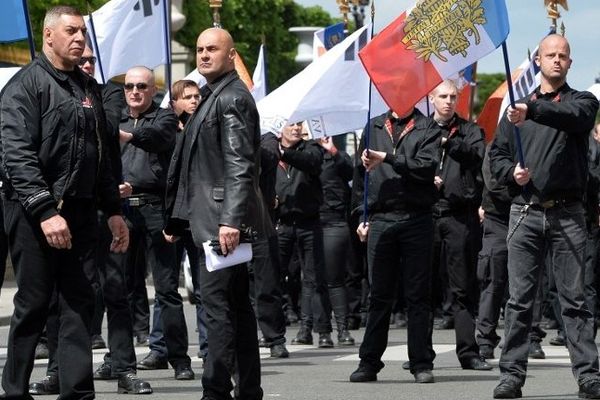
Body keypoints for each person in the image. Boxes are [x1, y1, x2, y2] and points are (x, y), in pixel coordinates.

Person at [0, 6, 129, 399]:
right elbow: (15, 154)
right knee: (34, 304)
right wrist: (44, 210)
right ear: (49, 36)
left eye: (83, 34)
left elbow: (103, 156)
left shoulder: (90, 90)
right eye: (71, 31)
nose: (80, 40)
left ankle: (77, 393)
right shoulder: (25, 85)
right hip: (32, 211)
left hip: (81, 211)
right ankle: (14, 391)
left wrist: (114, 212)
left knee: (79, 302)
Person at [489, 34, 600, 399]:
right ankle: (511, 376)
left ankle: (588, 375)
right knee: (519, 299)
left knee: (575, 300)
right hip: (525, 212)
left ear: (570, 63)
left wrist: (531, 110)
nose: (556, 60)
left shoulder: (581, 101)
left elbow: (576, 118)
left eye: (562, 56)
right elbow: (498, 156)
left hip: (568, 213)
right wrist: (511, 174)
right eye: (550, 55)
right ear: (538, 59)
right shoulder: (514, 111)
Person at [164, 27, 271, 400]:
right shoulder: (213, 96)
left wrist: (230, 221)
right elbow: (199, 167)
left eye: (213, 49)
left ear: (231, 55)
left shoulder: (232, 99)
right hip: (209, 220)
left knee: (219, 310)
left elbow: (240, 164)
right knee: (234, 308)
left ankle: (216, 391)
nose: (204, 55)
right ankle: (248, 390)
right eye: (199, 49)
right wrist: (180, 219)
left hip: (219, 224)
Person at [348, 107, 441, 384]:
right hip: (381, 219)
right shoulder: (374, 126)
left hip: (417, 218)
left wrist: (387, 158)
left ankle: (421, 363)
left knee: (418, 295)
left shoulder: (427, 127)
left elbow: (426, 167)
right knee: (378, 295)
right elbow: (360, 177)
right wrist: (361, 215)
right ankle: (369, 363)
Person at [116, 66, 194, 380]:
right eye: (130, 86)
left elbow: (159, 138)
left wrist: (128, 135)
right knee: (119, 288)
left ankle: (179, 359)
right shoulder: (114, 118)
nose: (134, 92)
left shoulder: (163, 119)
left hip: (155, 209)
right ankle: (119, 358)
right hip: (121, 211)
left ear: (152, 90)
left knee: (166, 291)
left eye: (141, 87)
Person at [428, 80, 490, 370]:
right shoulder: (420, 130)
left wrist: (448, 143)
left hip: (458, 216)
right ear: (431, 99)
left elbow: (475, 156)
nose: (449, 101)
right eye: (443, 96)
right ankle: (420, 353)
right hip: (426, 216)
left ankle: (468, 352)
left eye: (453, 96)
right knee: (423, 288)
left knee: (462, 288)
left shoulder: (470, 131)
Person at [275, 122, 335, 348]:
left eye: (300, 124)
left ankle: (321, 330)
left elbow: (312, 163)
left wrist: (284, 153)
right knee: (275, 279)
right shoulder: (270, 149)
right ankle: (275, 332)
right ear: (279, 128)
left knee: (314, 279)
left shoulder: (310, 148)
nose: (296, 128)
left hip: (308, 222)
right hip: (281, 224)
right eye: (291, 124)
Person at [316, 136, 355, 346]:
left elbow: (350, 172)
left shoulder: (336, 156)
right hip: (310, 221)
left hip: (334, 221)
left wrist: (334, 151)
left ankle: (343, 329)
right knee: (316, 281)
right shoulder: (301, 156)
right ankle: (323, 331)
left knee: (335, 278)